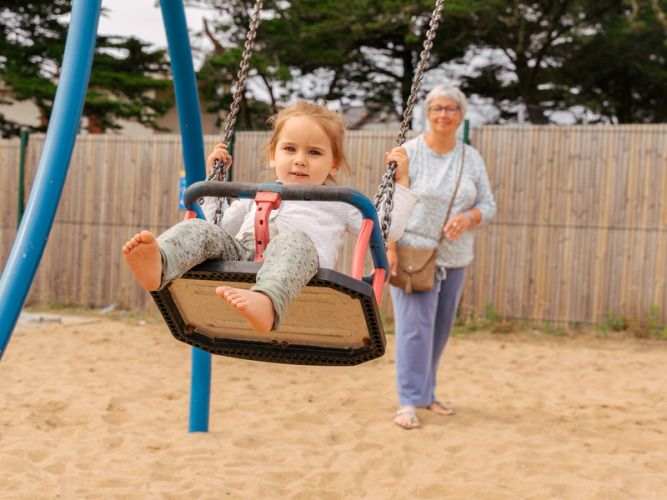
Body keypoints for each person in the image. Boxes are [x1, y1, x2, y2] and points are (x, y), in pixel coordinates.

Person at [123, 101, 418, 335]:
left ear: (334, 164)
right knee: (198, 228)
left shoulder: (339, 201)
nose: (300, 159)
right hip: (244, 255)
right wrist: (214, 184)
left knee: (294, 240)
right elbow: (216, 229)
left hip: (300, 268)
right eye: (290, 149)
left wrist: (400, 182)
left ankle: (267, 301)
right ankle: (161, 263)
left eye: (314, 152)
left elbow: (385, 230)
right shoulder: (254, 194)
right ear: (274, 155)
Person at [389, 85, 496, 429]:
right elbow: (389, 202)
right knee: (414, 331)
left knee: (438, 331)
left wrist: (469, 217)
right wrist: (389, 249)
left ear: (461, 116)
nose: (443, 114)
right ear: (427, 113)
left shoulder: (471, 158)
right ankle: (407, 401)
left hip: (455, 258)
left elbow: (488, 205)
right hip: (413, 255)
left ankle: (426, 394)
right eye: (437, 108)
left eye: (451, 108)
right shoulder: (409, 152)